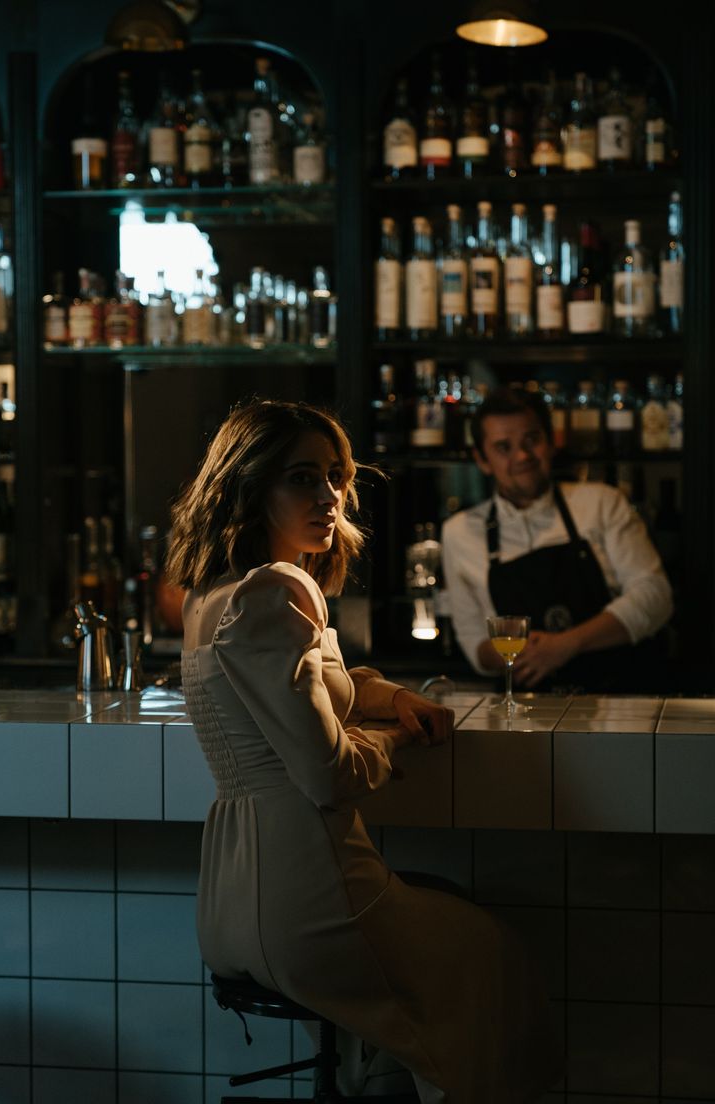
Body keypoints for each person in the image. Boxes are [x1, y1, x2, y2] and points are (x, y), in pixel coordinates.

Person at [165, 398, 561, 1103]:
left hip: (228, 900)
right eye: (302, 478)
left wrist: (391, 698)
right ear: (249, 485)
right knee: (489, 955)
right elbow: (328, 775)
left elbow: (316, 681)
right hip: (308, 895)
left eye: (336, 476)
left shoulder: (211, 595)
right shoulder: (278, 589)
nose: (329, 496)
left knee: (437, 926)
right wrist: (392, 738)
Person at [441, 386, 674, 693]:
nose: (522, 455)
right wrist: (528, 654)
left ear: (551, 443)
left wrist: (566, 645)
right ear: (482, 459)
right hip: (524, 712)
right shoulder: (459, 532)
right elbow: (473, 641)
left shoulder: (602, 503)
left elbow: (655, 597)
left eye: (532, 440)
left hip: (619, 699)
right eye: (503, 447)